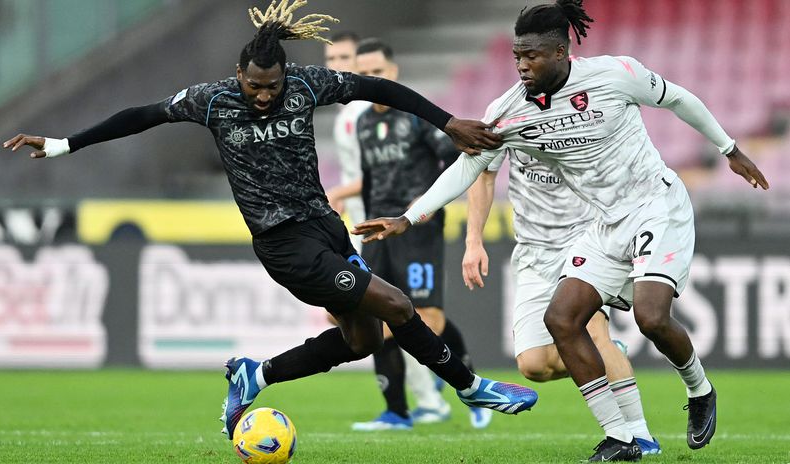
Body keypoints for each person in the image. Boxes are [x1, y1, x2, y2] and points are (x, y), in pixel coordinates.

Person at [1, 0, 537, 450]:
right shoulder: (211, 100)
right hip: (285, 244)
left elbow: (378, 88)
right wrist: (64, 144)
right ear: (240, 75)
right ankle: (471, 387)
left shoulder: (305, 85)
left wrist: (447, 121)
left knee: (362, 341)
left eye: (272, 86)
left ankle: (255, 375)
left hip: (326, 228)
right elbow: (141, 116)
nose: (264, 95)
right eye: (256, 86)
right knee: (396, 304)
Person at [353, 0, 769, 460]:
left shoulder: (616, 74)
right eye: (516, 56)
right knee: (560, 321)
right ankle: (621, 438)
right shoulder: (509, 110)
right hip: (606, 224)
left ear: (560, 52)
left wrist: (729, 149)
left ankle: (699, 389)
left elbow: (678, 99)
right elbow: (468, 169)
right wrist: (408, 217)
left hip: (657, 205)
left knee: (651, 318)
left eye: (531, 56)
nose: (521, 65)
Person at [329, 38, 491, 431]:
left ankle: (471, 386)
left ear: (393, 72)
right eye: (364, 74)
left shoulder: (417, 117)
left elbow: (458, 161)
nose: (372, 79)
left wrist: (425, 201)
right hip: (376, 229)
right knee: (373, 314)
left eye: (378, 72)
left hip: (417, 228)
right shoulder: (363, 123)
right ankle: (396, 411)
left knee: (429, 318)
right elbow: (371, 177)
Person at [462, 148, 659, 454]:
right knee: (534, 365)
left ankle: (640, 435)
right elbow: (484, 175)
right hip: (533, 252)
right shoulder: (502, 122)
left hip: (587, 243)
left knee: (594, 333)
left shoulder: (583, 120)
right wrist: (474, 241)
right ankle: (605, 355)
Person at [322, 31, 371, 252]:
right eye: (331, 58)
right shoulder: (346, 110)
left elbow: (381, 171)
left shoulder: (367, 109)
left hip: (381, 219)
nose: (336, 65)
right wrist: (343, 197)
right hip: (361, 221)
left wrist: (336, 194)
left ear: (360, 60)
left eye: (344, 57)